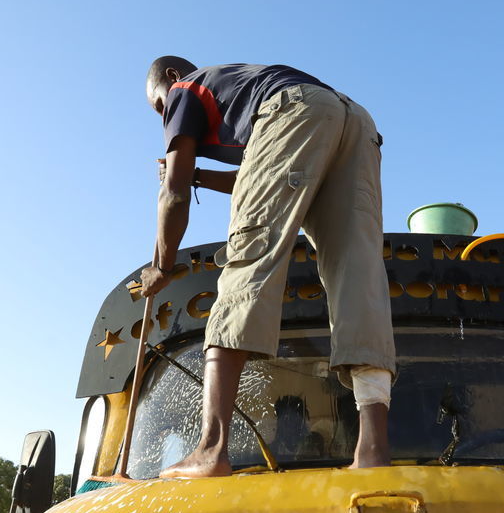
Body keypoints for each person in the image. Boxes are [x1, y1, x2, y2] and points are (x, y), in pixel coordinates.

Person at [139, 56, 395, 478]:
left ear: (170, 78)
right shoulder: (240, 89)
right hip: (355, 121)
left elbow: (174, 194)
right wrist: (198, 175)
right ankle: (372, 452)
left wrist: (162, 267)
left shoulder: (185, 89)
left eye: (157, 107)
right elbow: (262, 171)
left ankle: (211, 448)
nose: (163, 117)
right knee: (359, 274)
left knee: (250, 255)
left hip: (292, 111)